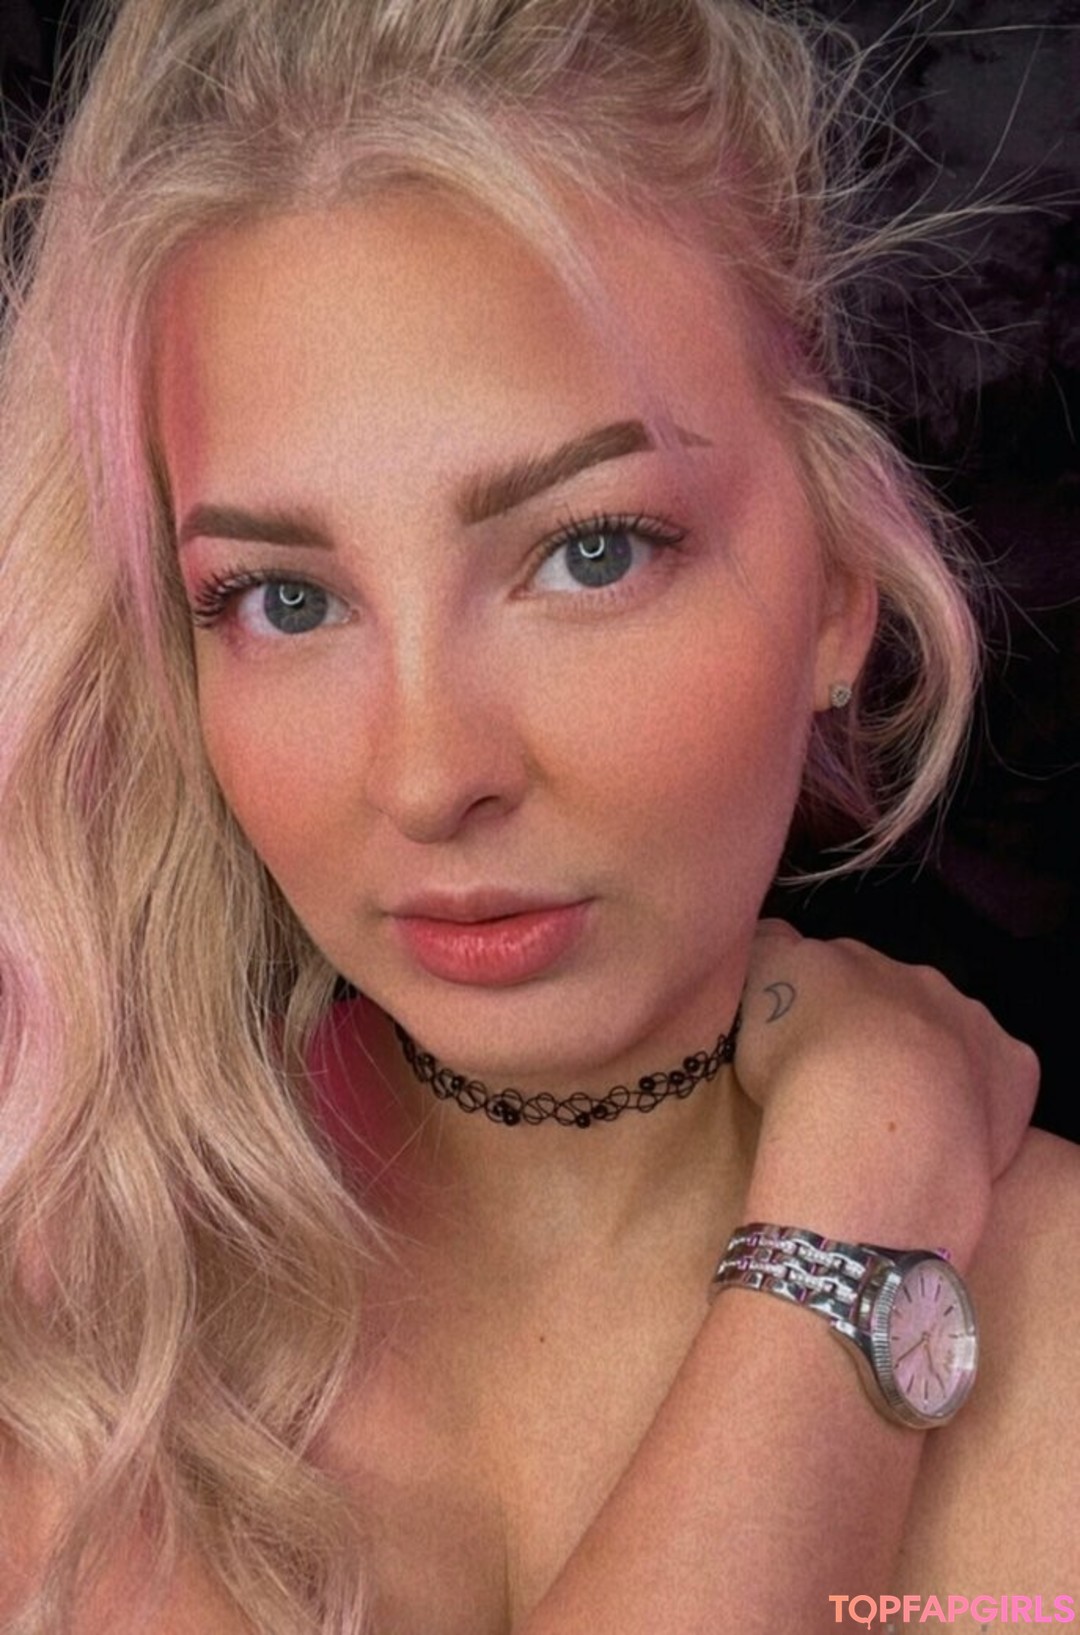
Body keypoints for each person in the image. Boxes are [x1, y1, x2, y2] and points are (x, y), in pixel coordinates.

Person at [0, 1, 1074, 1631]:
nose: (432, 775)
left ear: (842, 587)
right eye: (286, 598)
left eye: (591, 552)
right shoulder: (74, 1330)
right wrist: (864, 1190)